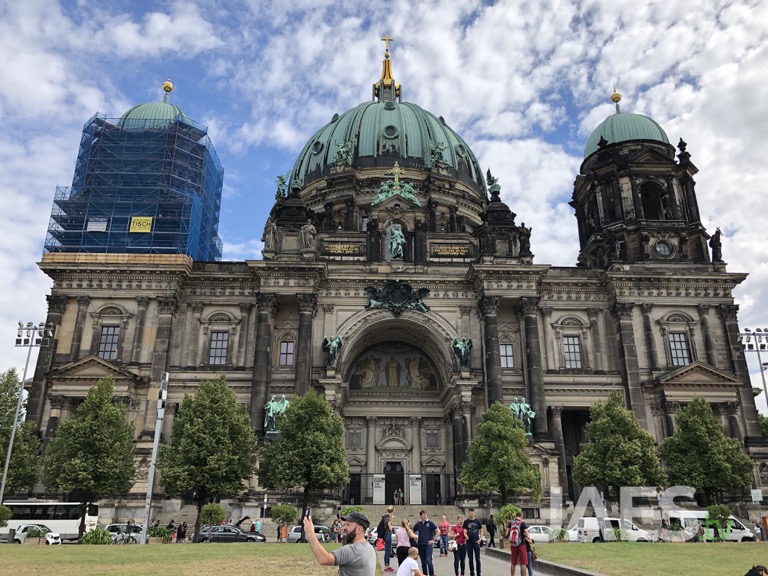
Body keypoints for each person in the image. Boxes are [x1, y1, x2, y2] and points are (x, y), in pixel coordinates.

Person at [304, 511, 376, 576]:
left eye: (348, 525)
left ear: (359, 529)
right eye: (344, 524)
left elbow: (324, 559)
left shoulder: (352, 550)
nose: (344, 528)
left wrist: (310, 533)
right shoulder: (370, 548)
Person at [412, 510, 438, 576]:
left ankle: (431, 574)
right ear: (420, 516)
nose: (425, 516)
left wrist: (433, 539)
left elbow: (438, 531)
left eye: (425, 515)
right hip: (420, 544)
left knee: (429, 560)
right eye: (423, 515)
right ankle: (425, 574)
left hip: (428, 544)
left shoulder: (430, 523)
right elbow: (413, 531)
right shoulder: (418, 524)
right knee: (423, 562)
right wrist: (415, 537)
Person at [463, 508, 484, 576]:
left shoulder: (477, 521)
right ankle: (472, 573)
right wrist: (466, 536)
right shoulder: (466, 522)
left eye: (472, 513)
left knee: (477, 559)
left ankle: (479, 573)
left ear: (474, 513)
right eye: (470, 513)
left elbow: (481, 530)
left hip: (476, 542)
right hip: (469, 543)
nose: (471, 514)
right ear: (468, 513)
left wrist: (480, 539)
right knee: (470, 559)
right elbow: (464, 531)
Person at [508, 512, 529, 576]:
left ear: (515, 516)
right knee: (523, 563)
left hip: (513, 545)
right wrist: (528, 538)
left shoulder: (511, 523)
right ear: (521, 516)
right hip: (521, 544)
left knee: (513, 562)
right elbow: (526, 533)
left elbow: (507, 533)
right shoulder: (522, 523)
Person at [381, 506, 395, 572]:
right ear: (392, 511)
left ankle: (387, 565)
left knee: (387, 550)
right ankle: (387, 566)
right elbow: (390, 528)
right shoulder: (388, 518)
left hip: (385, 534)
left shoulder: (385, 516)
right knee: (388, 550)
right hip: (388, 534)